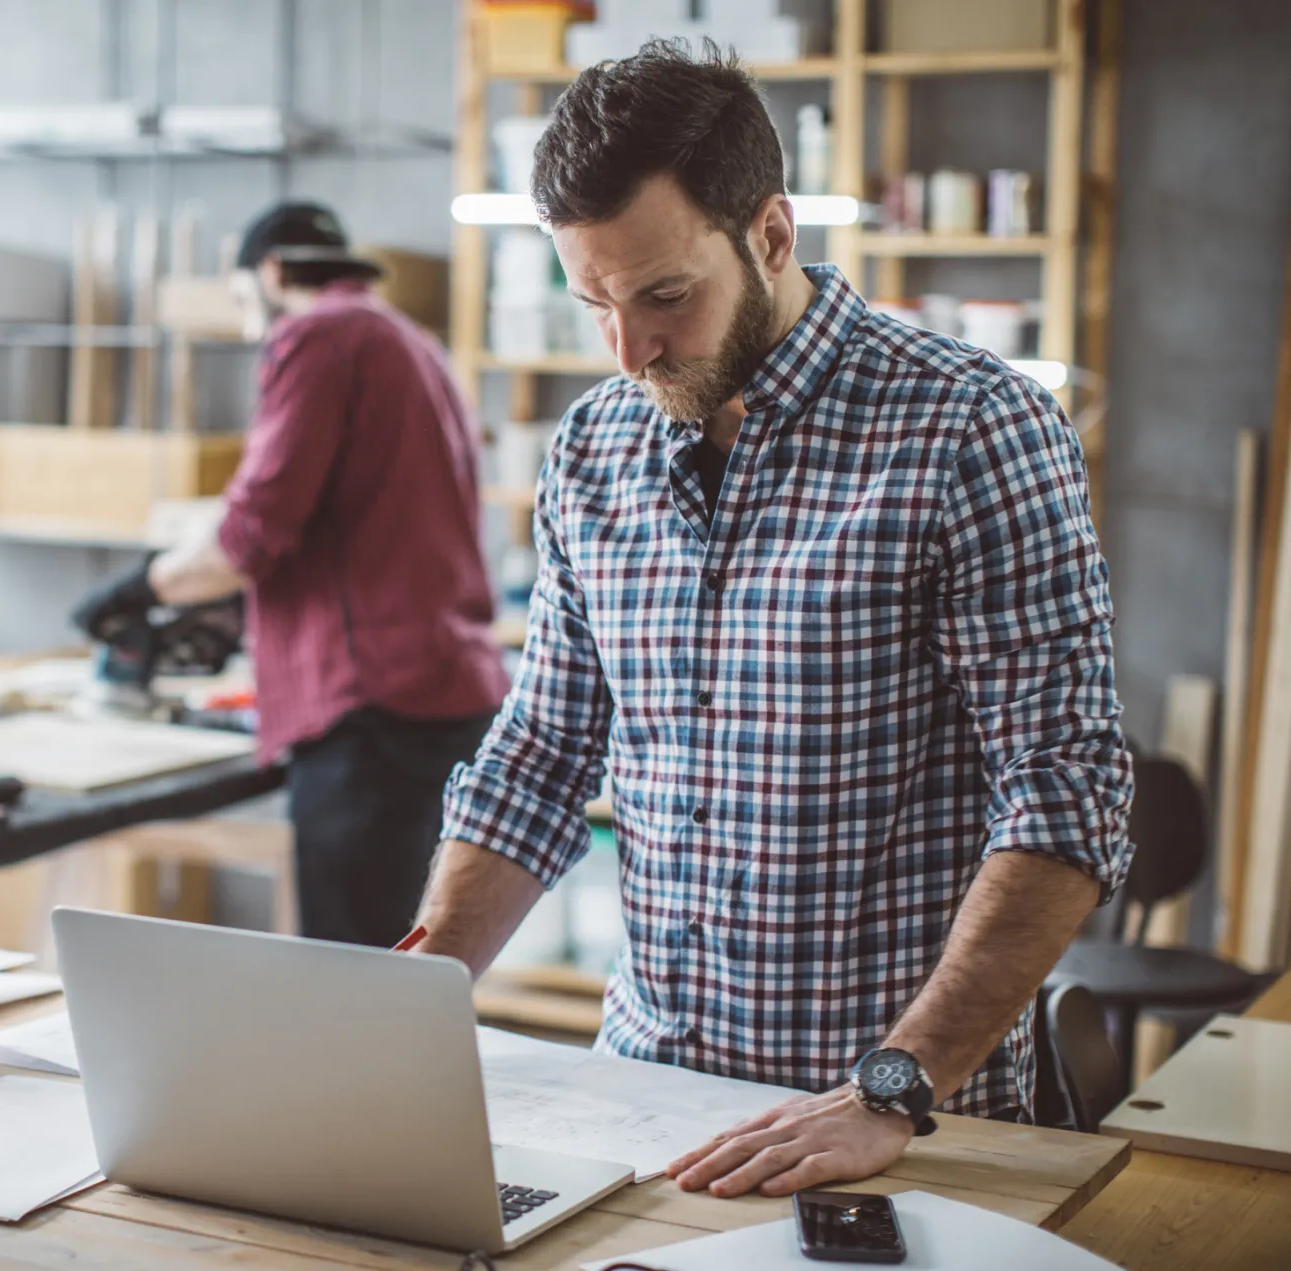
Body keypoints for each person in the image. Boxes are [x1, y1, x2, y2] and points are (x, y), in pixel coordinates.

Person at [413, 41, 1134, 1198]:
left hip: (902, 1125)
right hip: (648, 1109)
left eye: (664, 295)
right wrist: (406, 999)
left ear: (772, 234)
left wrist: (891, 1086)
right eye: (592, 300)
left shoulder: (971, 428)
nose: (628, 349)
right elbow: (541, 754)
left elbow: (1066, 788)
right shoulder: (594, 450)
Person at [72, 202, 510, 947]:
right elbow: (363, 523)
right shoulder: (410, 341)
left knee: (347, 976)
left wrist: (138, 588)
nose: (252, 325)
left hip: (368, 713)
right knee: (409, 972)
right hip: (444, 697)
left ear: (271, 273)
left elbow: (248, 536)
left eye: (245, 301)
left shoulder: (316, 336)